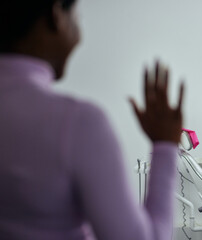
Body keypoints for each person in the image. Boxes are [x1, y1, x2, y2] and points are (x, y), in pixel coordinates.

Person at [0, 1, 184, 239]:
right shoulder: (77, 122)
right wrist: (165, 145)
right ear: (56, 15)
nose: (79, 35)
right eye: (77, 17)